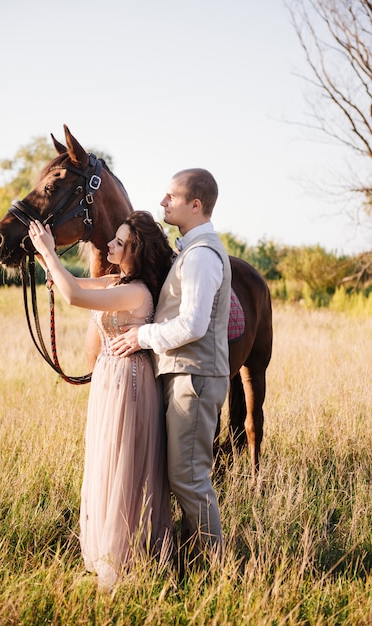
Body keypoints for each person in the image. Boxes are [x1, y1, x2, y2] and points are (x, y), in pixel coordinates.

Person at [28, 210, 174, 590]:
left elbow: (74, 297)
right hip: (109, 379)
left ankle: (125, 559)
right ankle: (108, 553)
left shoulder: (136, 291)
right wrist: (43, 251)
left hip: (129, 383)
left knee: (123, 462)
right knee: (105, 458)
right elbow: (72, 281)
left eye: (119, 242)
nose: (109, 243)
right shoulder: (116, 279)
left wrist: (49, 251)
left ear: (134, 252)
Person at [111, 169, 231, 571]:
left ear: (195, 205)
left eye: (171, 197)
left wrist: (142, 336)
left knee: (189, 480)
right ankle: (188, 557)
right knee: (182, 477)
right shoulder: (192, 252)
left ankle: (213, 568)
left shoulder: (200, 257)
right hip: (185, 376)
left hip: (194, 380)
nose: (163, 203)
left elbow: (194, 325)